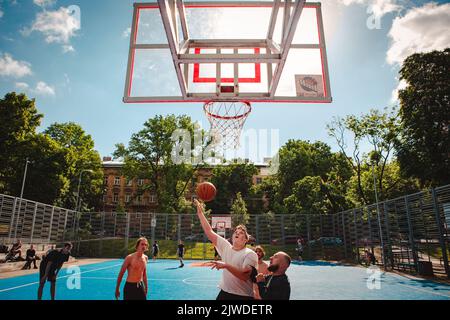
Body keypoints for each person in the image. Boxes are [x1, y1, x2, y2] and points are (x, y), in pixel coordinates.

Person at [194, 199, 258, 300]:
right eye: (236, 231)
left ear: (246, 239)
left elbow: (244, 276)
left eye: (241, 233)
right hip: (224, 293)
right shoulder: (226, 246)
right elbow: (209, 231)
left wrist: (226, 266)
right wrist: (200, 213)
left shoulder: (250, 254)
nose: (237, 233)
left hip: (242, 296)